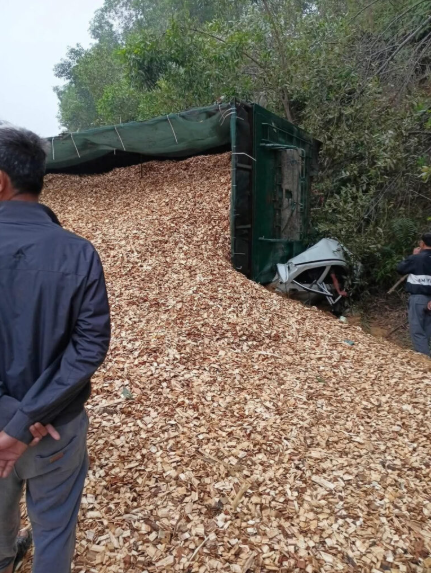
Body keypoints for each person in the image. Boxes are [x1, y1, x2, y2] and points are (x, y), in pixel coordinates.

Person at [0, 124, 111, 573]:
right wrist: (25, 420)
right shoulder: (79, 253)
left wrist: (10, 416)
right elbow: (90, 345)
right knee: (54, 530)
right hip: (54, 431)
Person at [397, 233, 431, 356]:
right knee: (427, 329)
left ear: (422, 243)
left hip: (418, 298)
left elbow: (400, 269)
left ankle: (424, 360)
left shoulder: (417, 258)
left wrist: (414, 255)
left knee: (417, 330)